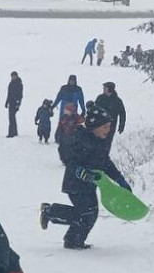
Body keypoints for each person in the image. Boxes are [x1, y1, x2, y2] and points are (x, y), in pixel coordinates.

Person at [40, 103, 132, 250]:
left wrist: (120, 179)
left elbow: (106, 163)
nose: (108, 130)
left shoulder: (101, 142)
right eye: (105, 127)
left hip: (89, 185)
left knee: (88, 214)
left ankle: (66, 231)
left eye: (109, 126)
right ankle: (64, 229)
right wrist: (79, 171)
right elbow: (69, 158)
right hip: (74, 184)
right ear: (94, 126)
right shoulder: (79, 138)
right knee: (87, 214)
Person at [94, 81, 127, 146]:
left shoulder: (117, 101)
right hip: (99, 125)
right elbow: (94, 111)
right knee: (97, 143)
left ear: (110, 89)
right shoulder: (100, 98)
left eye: (105, 88)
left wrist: (121, 125)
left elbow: (122, 113)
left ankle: (104, 155)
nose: (103, 89)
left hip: (111, 126)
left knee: (107, 143)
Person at [5, 72, 23, 138]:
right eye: (12, 76)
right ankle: (14, 132)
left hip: (15, 103)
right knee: (11, 118)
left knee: (12, 118)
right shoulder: (11, 83)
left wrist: (18, 103)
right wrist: (6, 102)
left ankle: (11, 133)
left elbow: (20, 95)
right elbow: (9, 94)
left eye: (14, 76)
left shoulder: (19, 84)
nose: (13, 77)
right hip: (11, 102)